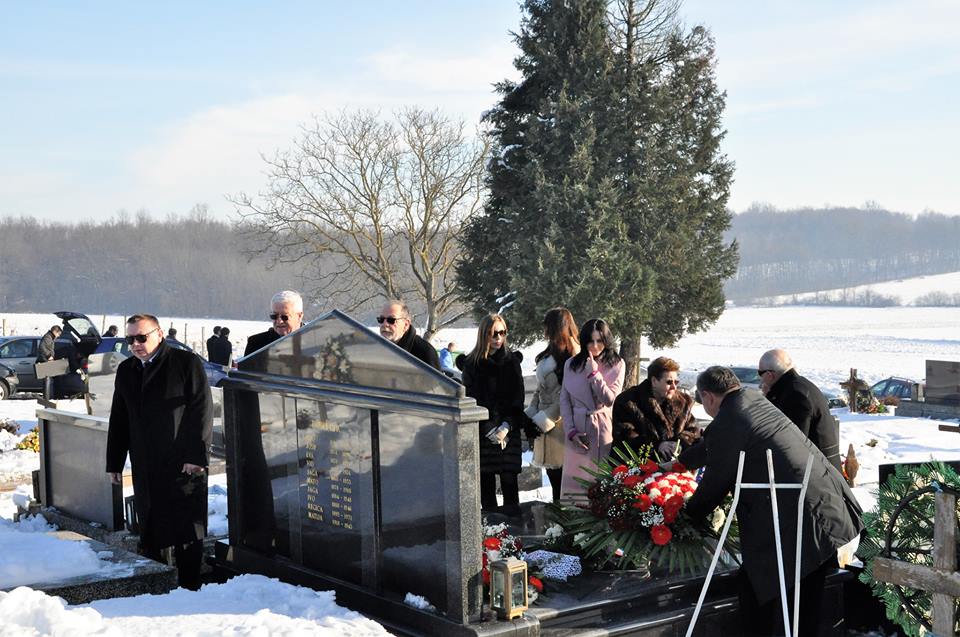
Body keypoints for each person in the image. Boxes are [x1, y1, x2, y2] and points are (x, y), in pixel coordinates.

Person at [679, 366, 863, 637]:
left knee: (787, 601)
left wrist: (683, 517)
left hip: (799, 518)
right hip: (822, 506)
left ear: (707, 396)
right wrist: (680, 463)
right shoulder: (752, 400)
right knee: (800, 599)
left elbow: (714, 484)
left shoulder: (730, 419)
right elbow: (714, 447)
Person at [105, 314, 213, 591]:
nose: (135, 344)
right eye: (130, 339)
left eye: (141, 337)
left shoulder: (185, 363)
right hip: (145, 462)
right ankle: (157, 586)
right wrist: (114, 462)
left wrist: (196, 456)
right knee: (151, 526)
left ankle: (191, 587)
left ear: (159, 334)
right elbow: (120, 417)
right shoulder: (127, 370)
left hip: (183, 462)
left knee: (186, 529)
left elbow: (201, 409)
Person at [460, 314, 526, 516]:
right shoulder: (471, 364)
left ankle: (514, 530)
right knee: (486, 490)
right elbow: (471, 399)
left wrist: (507, 425)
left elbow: (518, 398)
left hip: (508, 432)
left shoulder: (512, 361)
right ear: (484, 334)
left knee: (510, 486)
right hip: (482, 432)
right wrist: (487, 427)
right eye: (493, 333)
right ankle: (490, 532)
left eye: (502, 332)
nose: (498, 337)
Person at [559, 318, 625, 502]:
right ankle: (573, 517)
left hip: (602, 428)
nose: (595, 346)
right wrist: (571, 431)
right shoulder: (571, 364)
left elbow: (610, 399)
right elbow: (565, 400)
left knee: (599, 482)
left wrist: (594, 374)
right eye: (590, 341)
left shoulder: (617, 364)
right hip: (577, 428)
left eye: (600, 341)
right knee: (575, 484)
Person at [525, 307, 579, 502]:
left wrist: (544, 419)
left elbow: (568, 395)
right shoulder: (549, 354)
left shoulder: (574, 355)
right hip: (544, 424)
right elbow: (540, 389)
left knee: (563, 484)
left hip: (562, 425)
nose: (545, 331)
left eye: (548, 326)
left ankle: (562, 519)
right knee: (554, 478)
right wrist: (530, 415)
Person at [759, 349, 842, 473]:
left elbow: (794, 442)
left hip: (817, 474)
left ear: (770, 374)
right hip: (819, 469)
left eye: (760, 373)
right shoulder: (798, 385)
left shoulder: (795, 395)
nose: (760, 379)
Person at [612, 356, 699, 462]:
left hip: (674, 465)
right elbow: (625, 436)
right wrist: (657, 446)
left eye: (676, 382)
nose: (674, 387)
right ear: (654, 381)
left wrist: (679, 444)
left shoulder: (683, 401)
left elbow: (693, 431)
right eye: (669, 382)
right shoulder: (628, 401)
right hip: (635, 465)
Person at [377, 299, 440, 369]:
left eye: (391, 320)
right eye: (381, 319)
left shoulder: (424, 352)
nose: (385, 324)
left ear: (406, 324)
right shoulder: (374, 349)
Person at [244, 290, 305, 356]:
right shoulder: (256, 343)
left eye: (284, 316)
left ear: (299, 316)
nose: (279, 321)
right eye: (274, 316)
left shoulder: (312, 343)